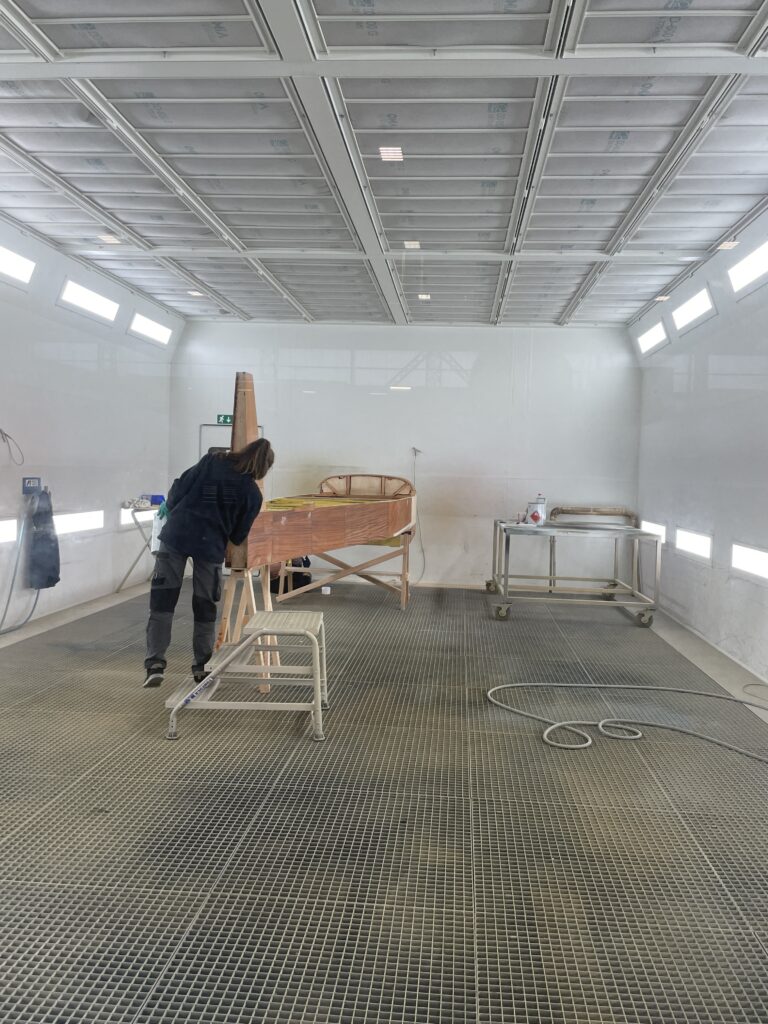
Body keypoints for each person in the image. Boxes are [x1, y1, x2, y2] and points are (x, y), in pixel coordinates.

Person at [143, 438, 274, 688]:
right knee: (205, 607)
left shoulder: (212, 462)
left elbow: (179, 487)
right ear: (263, 468)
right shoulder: (252, 494)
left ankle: (155, 664)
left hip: (176, 536)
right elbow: (238, 535)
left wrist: (172, 508)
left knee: (162, 602)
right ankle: (201, 667)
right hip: (209, 547)